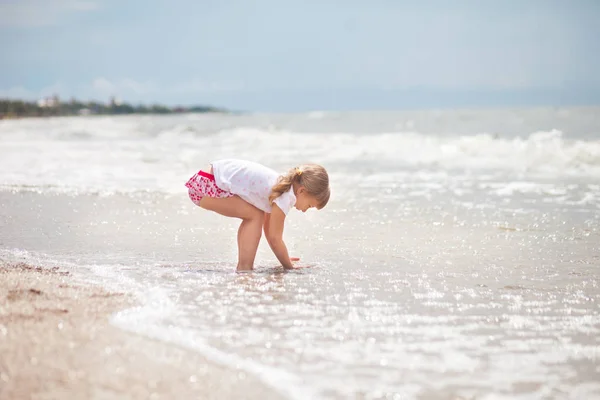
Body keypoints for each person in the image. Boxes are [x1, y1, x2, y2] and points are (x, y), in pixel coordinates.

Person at [185, 159, 330, 271]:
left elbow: (270, 231)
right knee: (254, 216)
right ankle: (244, 268)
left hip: (204, 179)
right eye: (309, 206)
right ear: (302, 191)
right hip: (205, 185)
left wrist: (284, 258)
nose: (305, 210)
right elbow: (275, 238)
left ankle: (244, 265)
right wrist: (288, 266)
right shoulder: (286, 197)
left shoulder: (280, 187)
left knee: (256, 214)